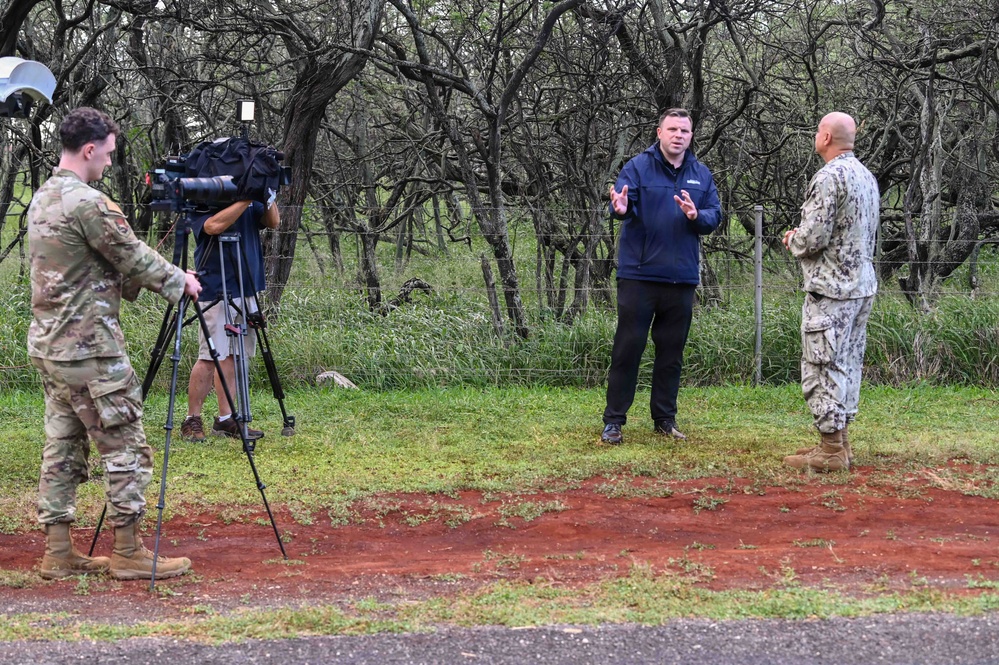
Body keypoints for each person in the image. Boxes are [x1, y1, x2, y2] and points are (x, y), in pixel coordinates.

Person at [27, 107, 202, 580]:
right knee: (125, 445)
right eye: (106, 154)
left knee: (62, 446)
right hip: (91, 350)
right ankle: (128, 551)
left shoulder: (43, 198)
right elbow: (131, 255)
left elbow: (90, 266)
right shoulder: (88, 202)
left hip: (50, 347)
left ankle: (58, 552)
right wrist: (178, 280)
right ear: (88, 149)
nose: (108, 162)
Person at [601, 108, 722, 445]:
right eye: (672, 129)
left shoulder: (701, 174)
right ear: (659, 132)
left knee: (671, 353)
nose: (678, 135)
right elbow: (621, 202)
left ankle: (665, 420)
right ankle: (614, 422)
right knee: (628, 349)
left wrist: (697, 215)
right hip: (639, 277)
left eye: (684, 130)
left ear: (691, 136)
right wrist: (620, 209)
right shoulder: (637, 167)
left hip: (681, 279)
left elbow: (714, 217)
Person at [781, 112, 880, 472]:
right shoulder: (866, 177)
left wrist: (793, 239)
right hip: (861, 286)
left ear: (825, 138)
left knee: (822, 365)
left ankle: (831, 448)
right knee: (848, 363)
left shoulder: (828, 177)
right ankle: (841, 442)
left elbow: (814, 238)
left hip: (832, 289)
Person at [180, 191, 279, 442]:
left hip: (245, 282)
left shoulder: (246, 193)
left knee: (236, 354)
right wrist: (246, 198)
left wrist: (267, 193)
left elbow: (273, 221)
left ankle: (226, 419)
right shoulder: (205, 191)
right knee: (210, 355)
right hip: (214, 283)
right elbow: (212, 226)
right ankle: (192, 418)